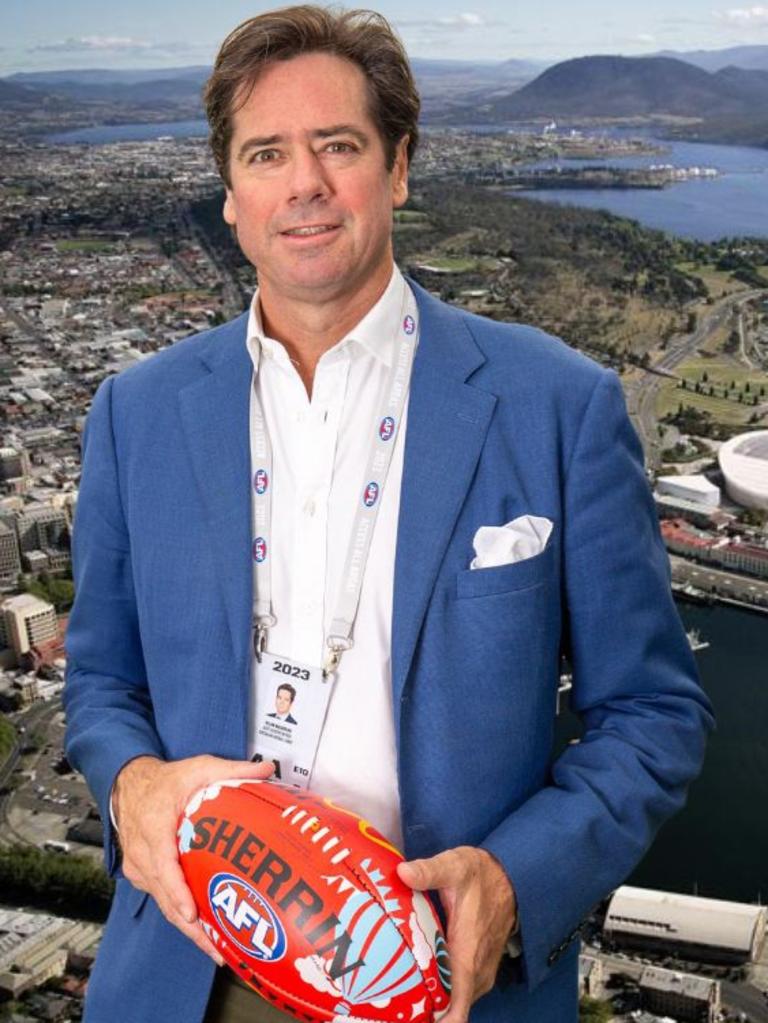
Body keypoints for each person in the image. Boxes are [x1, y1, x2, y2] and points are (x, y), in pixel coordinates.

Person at [63, 6, 715, 1023]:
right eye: (266, 154)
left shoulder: (557, 406)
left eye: (339, 147)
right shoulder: (133, 415)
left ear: (399, 167)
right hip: (194, 970)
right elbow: (103, 678)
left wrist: (516, 879)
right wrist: (130, 783)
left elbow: (655, 715)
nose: (305, 184)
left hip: (448, 980)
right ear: (230, 196)